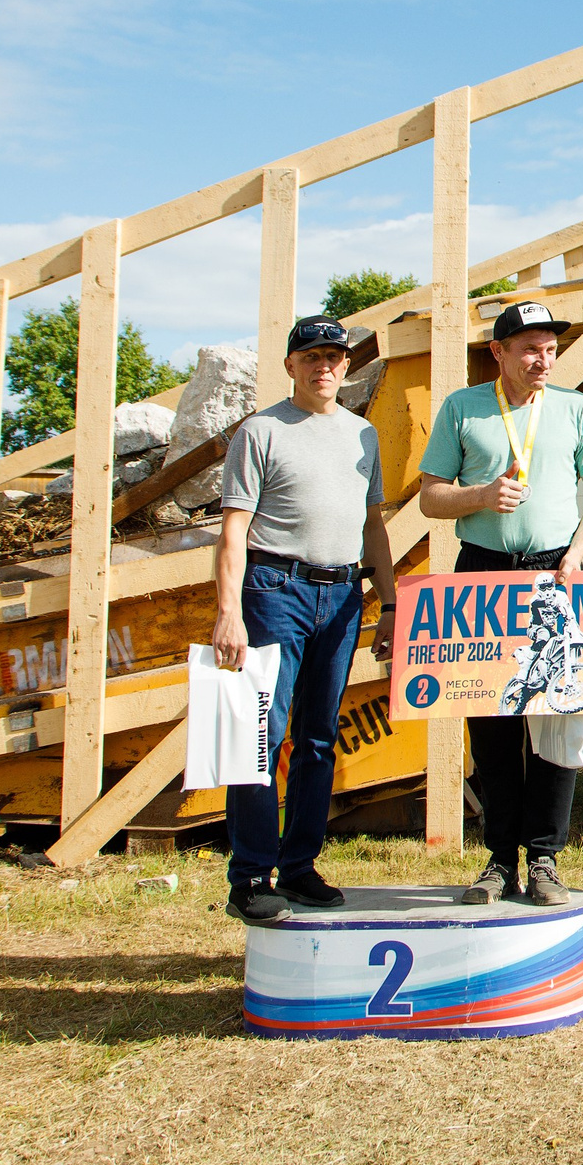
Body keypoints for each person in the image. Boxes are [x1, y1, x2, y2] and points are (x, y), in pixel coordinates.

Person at [419, 298, 583, 906]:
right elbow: (431, 498)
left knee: (559, 716)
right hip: (481, 575)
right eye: (529, 348)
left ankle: (546, 859)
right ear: (498, 353)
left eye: (550, 348)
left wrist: (579, 552)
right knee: (493, 720)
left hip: (556, 573)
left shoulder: (575, 407)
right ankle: (499, 860)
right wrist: (480, 495)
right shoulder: (463, 408)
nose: (542, 359)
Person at [211, 316, 398, 924]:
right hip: (274, 589)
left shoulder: (363, 435)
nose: (325, 366)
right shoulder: (260, 432)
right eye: (311, 355)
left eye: (335, 357)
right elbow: (233, 530)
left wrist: (390, 603)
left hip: (342, 595)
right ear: (291, 364)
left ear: (347, 367)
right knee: (259, 736)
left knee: (318, 739)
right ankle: (250, 878)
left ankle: (298, 869)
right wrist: (228, 613)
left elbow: (374, 527)